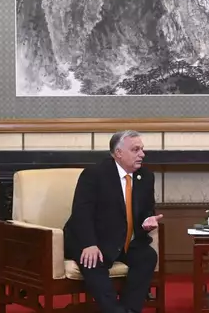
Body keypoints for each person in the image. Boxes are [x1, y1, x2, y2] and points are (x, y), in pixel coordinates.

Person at [63, 130, 163, 313]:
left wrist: (147, 221)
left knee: (147, 257)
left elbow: (146, 210)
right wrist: (89, 244)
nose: (142, 154)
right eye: (136, 149)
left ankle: (129, 309)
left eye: (142, 149)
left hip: (125, 242)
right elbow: (81, 212)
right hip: (95, 241)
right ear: (118, 153)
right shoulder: (94, 174)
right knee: (93, 262)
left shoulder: (146, 177)